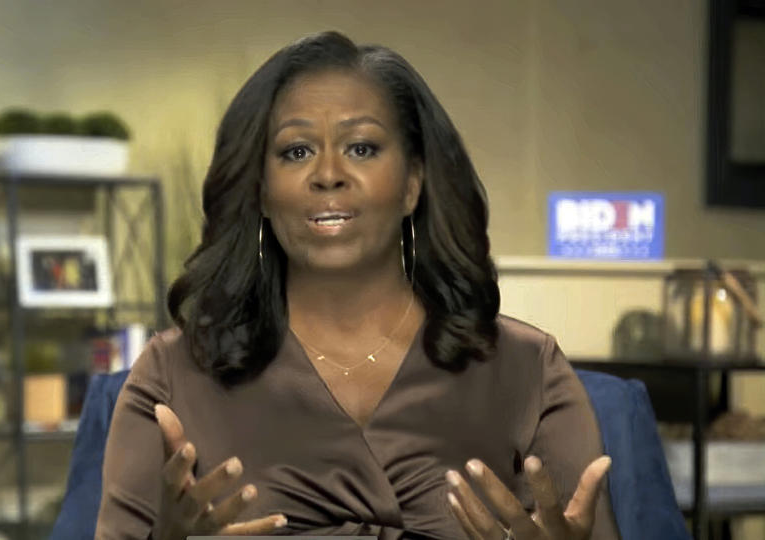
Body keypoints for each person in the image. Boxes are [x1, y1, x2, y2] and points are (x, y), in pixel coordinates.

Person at [95, 31, 619, 539]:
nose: (328, 174)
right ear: (260, 191)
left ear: (413, 184)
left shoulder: (530, 370)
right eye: (296, 152)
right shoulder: (173, 375)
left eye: (362, 148)